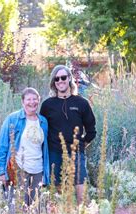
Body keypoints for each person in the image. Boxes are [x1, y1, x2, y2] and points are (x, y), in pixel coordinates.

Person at [40, 65, 96, 204]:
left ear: (69, 79)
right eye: (57, 78)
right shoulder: (47, 105)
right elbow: (41, 130)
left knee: (82, 197)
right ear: (53, 82)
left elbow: (91, 130)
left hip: (76, 154)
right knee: (59, 198)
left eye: (63, 77)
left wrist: (81, 145)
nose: (60, 81)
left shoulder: (82, 103)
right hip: (55, 154)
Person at [0, 87, 50, 206]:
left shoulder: (43, 122)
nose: (32, 102)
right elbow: (3, 146)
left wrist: (46, 175)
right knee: (18, 209)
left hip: (38, 171)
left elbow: (45, 149)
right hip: (18, 169)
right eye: (28, 99)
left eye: (35, 99)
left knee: (36, 210)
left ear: (38, 101)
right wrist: (1, 171)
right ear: (22, 102)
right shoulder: (13, 119)